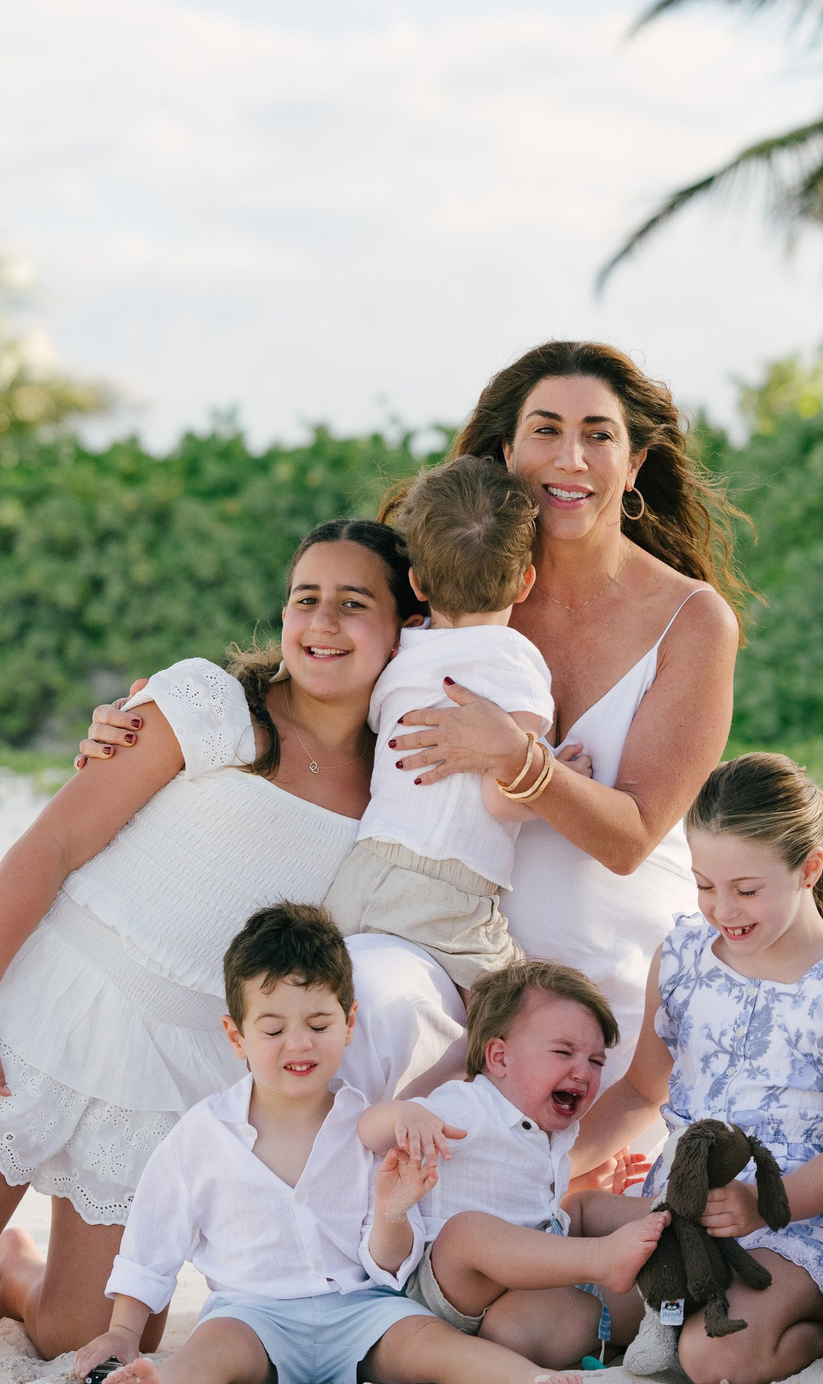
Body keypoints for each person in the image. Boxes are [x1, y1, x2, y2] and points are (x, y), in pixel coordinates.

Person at [77, 342, 745, 1110]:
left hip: (595, 984)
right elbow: (326, 659)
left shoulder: (691, 621)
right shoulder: (464, 574)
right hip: (422, 947)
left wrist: (517, 759)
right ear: (508, 450)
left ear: (634, 464)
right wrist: (163, 712)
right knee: (363, 1011)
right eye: (545, 430)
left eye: (598, 434)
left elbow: (630, 837)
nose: (570, 457)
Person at [0, 521, 421, 1360]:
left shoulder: (394, 788)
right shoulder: (209, 705)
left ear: (405, 630)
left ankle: (16, 1274)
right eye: (306, 599)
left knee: (80, 1335)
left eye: (354, 604)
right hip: (46, 996)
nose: (323, 624)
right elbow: (50, 846)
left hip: (173, 1062)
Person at [74, 904, 585, 1384]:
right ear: (237, 1036)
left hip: (361, 1312)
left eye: (319, 1024)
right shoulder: (204, 1136)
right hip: (254, 1315)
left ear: (348, 1022)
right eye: (273, 1030)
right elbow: (151, 1240)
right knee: (211, 1349)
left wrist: (392, 1212)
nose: (298, 1043)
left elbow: (388, 1266)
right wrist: (124, 1330)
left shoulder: (366, 1127)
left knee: (438, 1345)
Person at [567, 754, 823, 1384]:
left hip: (793, 1227)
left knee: (714, 1354)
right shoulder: (683, 956)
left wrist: (754, 1204)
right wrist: (558, 1160)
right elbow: (643, 1089)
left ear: (809, 869)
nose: (723, 908)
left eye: (747, 890)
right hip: (679, 1212)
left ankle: (814, 1325)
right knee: (545, 1321)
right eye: (704, 884)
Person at [356, 961, 671, 1368]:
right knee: (467, 1232)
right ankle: (602, 1258)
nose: (584, 1072)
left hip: (517, 1294)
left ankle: (670, 1215)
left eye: (595, 1061)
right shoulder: (468, 1106)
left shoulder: (555, 1135)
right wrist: (403, 1116)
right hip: (447, 1285)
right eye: (563, 1052)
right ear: (499, 1059)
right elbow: (367, 1130)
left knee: (581, 1209)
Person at [323, 455, 553, 990]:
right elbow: (503, 796)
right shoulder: (513, 663)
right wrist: (561, 773)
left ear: (417, 584)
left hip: (360, 872)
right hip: (446, 892)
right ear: (525, 582)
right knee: (519, 1008)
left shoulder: (405, 652)